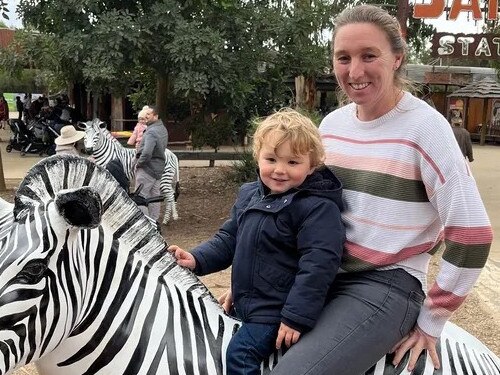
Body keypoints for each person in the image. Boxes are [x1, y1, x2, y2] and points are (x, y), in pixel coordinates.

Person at [236, 5, 490, 375]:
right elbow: (297, 212)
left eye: (369, 55)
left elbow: (472, 234)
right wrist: (252, 284)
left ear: (397, 58)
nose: (355, 71)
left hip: (384, 284)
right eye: (344, 58)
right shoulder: (332, 126)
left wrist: (432, 320)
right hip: (322, 274)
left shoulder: (426, 129)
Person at [168, 108, 345, 375]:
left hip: (276, 312)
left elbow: (319, 265)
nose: (279, 170)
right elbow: (229, 238)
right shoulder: (250, 195)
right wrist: (196, 258)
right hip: (246, 305)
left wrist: (295, 317)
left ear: (312, 166)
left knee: (239, 356)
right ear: (257, 157)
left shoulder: (316, 208)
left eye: (293, 163)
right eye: (271, 159)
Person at [134, 105, 168, 221]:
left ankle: (145, 223)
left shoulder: (151, 132)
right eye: (145, 114)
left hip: (147, 169)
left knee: (140, 198)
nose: (146, 117)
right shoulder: (162, 128)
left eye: (149, 114)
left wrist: (139, 164)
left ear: (156, 116)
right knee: (155, 198)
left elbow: (147, 153)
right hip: (158, 169)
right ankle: (154, 222)